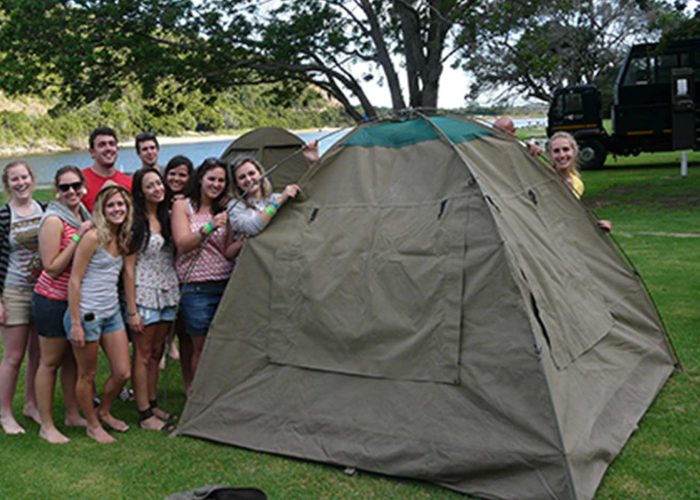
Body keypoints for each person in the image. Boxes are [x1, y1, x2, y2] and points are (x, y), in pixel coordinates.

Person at [65, 185, 133, 443]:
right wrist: (75, 323)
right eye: (112, 205)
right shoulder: (93, 237)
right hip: (87, 314)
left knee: (122, 372)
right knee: (87, 374)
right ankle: (92, 425)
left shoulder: (122, 237)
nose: (117, 210)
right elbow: (74, 281)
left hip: (111, 312)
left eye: (121, 205)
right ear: (102, 210)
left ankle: (103, 410)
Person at [33, 166, 93, 444]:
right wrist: (80, 236)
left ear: (83, 186)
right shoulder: (55, 220)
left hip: (75, 300)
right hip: (52, 300)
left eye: (76, 185)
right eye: (65, 187)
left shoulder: (83, 214)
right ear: (57, 191)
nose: (71, 191)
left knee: (71, 359)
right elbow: (52, 267)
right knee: (50, 362)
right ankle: (46, 424)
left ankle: (71, 413)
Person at [172, 158, 243, 382]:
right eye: (211, 178)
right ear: (200, 178)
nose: (216, 184)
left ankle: (220, 395)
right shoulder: (183, 205)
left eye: (221, 180)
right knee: (200, 349)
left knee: (224, 347)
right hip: (196, 288)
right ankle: (196, 398)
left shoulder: (226, 208)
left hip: (225, 283)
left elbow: (227, 251)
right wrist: (210, 227)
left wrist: (248, 240)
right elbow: (182, 244)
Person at [124, 169, 179, 430]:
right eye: (150, 185)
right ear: (140, 191)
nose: (157, 188)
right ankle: (144, 413)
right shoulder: (136, 222)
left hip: (168, 290)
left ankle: (154, 402)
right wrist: (132, 309)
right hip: (144, 292)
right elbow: (129, 267)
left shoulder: (167, 217)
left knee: (157, 352)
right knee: (143, 354)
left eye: (159, 183)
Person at [0, 161, 43, 434]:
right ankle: (4, 413)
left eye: (24, 177)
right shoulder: (4, 216)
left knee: (38, 354)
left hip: (42, 291)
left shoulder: (46, 209)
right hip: (13, 291)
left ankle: (31, 404)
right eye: (14, 179)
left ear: (32, 178)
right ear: (8, 185)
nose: (21, 183)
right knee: (13, 356)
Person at [161, 155, 195, 379]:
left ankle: (189, 380)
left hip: (185, 271)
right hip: (162, 270)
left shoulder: (192, 202)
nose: (176, 178)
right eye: (172, 173)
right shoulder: (159, 201)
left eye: (182, 174)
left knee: (186, 333)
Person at [547, 132, 612, 232]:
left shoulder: (577, 183)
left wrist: (597, 224)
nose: (562, 155)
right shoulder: (543, 175)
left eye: (566, 149)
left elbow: (572, 214)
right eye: (556, 151)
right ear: (550, 155)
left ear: (574, 152)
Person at [228, 158, 301, 236]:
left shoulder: (273, 198)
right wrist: (279, 201)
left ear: (260, 174)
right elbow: (252, 228)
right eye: (242, 177)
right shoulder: (235, 207)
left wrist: (312, 162)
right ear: (237, 184)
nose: (248, 179)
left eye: (252, 173)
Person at [82, 127, 133, 212]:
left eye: (112, 144)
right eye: (102, 145)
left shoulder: (129, 183)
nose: (108, 148)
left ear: (117, 149)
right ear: (92, 152)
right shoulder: (79, 182)